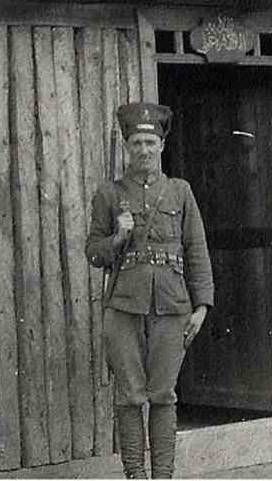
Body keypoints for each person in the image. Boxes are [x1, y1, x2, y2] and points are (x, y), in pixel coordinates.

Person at [86, 102, 213, 479]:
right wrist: (118, 237)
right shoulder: (109, 195)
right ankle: (135, 476)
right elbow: (92, 252)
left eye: (150, 142)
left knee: (163, 395)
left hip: (172, 306)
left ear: (161, 146)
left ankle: (163, 476)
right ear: (127, 148)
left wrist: (202, 305)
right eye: (136, 142)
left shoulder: (180, 191)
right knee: (129, 397)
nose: (143, 149)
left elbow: (197, 250)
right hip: (123, 306)